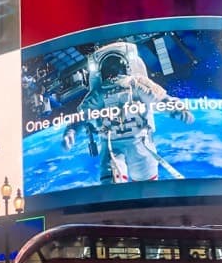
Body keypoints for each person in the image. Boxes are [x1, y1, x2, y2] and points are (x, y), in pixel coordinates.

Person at [62, 41, 193, 184]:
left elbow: (161, 99)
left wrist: (177, 109)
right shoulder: (99, 93)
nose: (113, 75)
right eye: (110, 69)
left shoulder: (137, 84)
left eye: (115, 68)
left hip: (139, 141)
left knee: (146, 187)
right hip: (112, 144)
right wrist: (71, 131)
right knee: (112, 188)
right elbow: (82, 116)